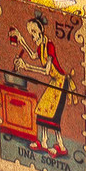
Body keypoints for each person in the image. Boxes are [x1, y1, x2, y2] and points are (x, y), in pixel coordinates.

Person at [11, 12, 75, 157]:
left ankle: (61, 146)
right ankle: (44, 142)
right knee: (42, 109)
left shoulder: (49, 45)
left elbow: (46, 70)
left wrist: (27, 66)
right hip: (54, 81)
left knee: (54, 114)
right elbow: (33, 55)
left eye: (34, 32)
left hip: (61, 81)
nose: (32, 36)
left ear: (41, 31)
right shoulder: (41, 46)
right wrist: (21, 39)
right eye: (30, 33)